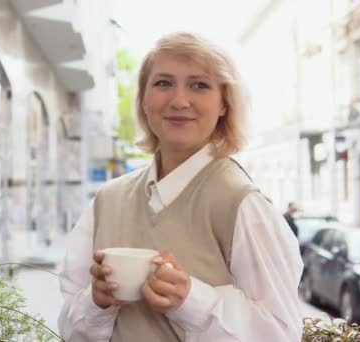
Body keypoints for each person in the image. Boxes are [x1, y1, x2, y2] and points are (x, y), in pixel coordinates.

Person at [58, 32, 303, 342]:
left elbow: (281, 333)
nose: (179, 101)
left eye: (199, 85)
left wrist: (190, 300)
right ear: (144, 100)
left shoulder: (241, 203)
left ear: (224, 103)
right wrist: (97, 302)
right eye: (163, 83)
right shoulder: (108, 199)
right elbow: (69, 327)